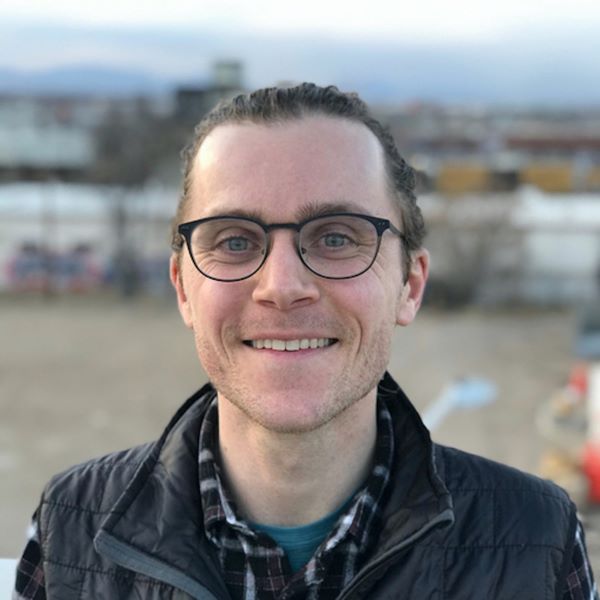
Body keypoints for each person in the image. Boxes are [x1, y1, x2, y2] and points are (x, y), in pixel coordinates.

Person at [14, 83, 597, 599]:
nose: (282, 287)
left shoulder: (536, 541)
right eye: (235, 241)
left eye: (337, 237)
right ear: (184, 289)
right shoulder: (72, 532)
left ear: (410, 285)